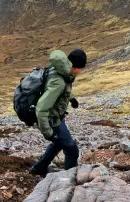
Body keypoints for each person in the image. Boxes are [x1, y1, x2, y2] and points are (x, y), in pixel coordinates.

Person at [29, 48, 87, 176]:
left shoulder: (60, 70)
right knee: (71, 148)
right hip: (51, 120)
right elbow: (41, 109)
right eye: (80, 69)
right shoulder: (59, 82)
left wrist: (71, 98)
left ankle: (38, 169)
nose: (80, 72)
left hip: (56, 117)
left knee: (59, 143)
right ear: (75, 67)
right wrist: (48, 133)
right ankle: (68, 179)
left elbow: (61, 90)